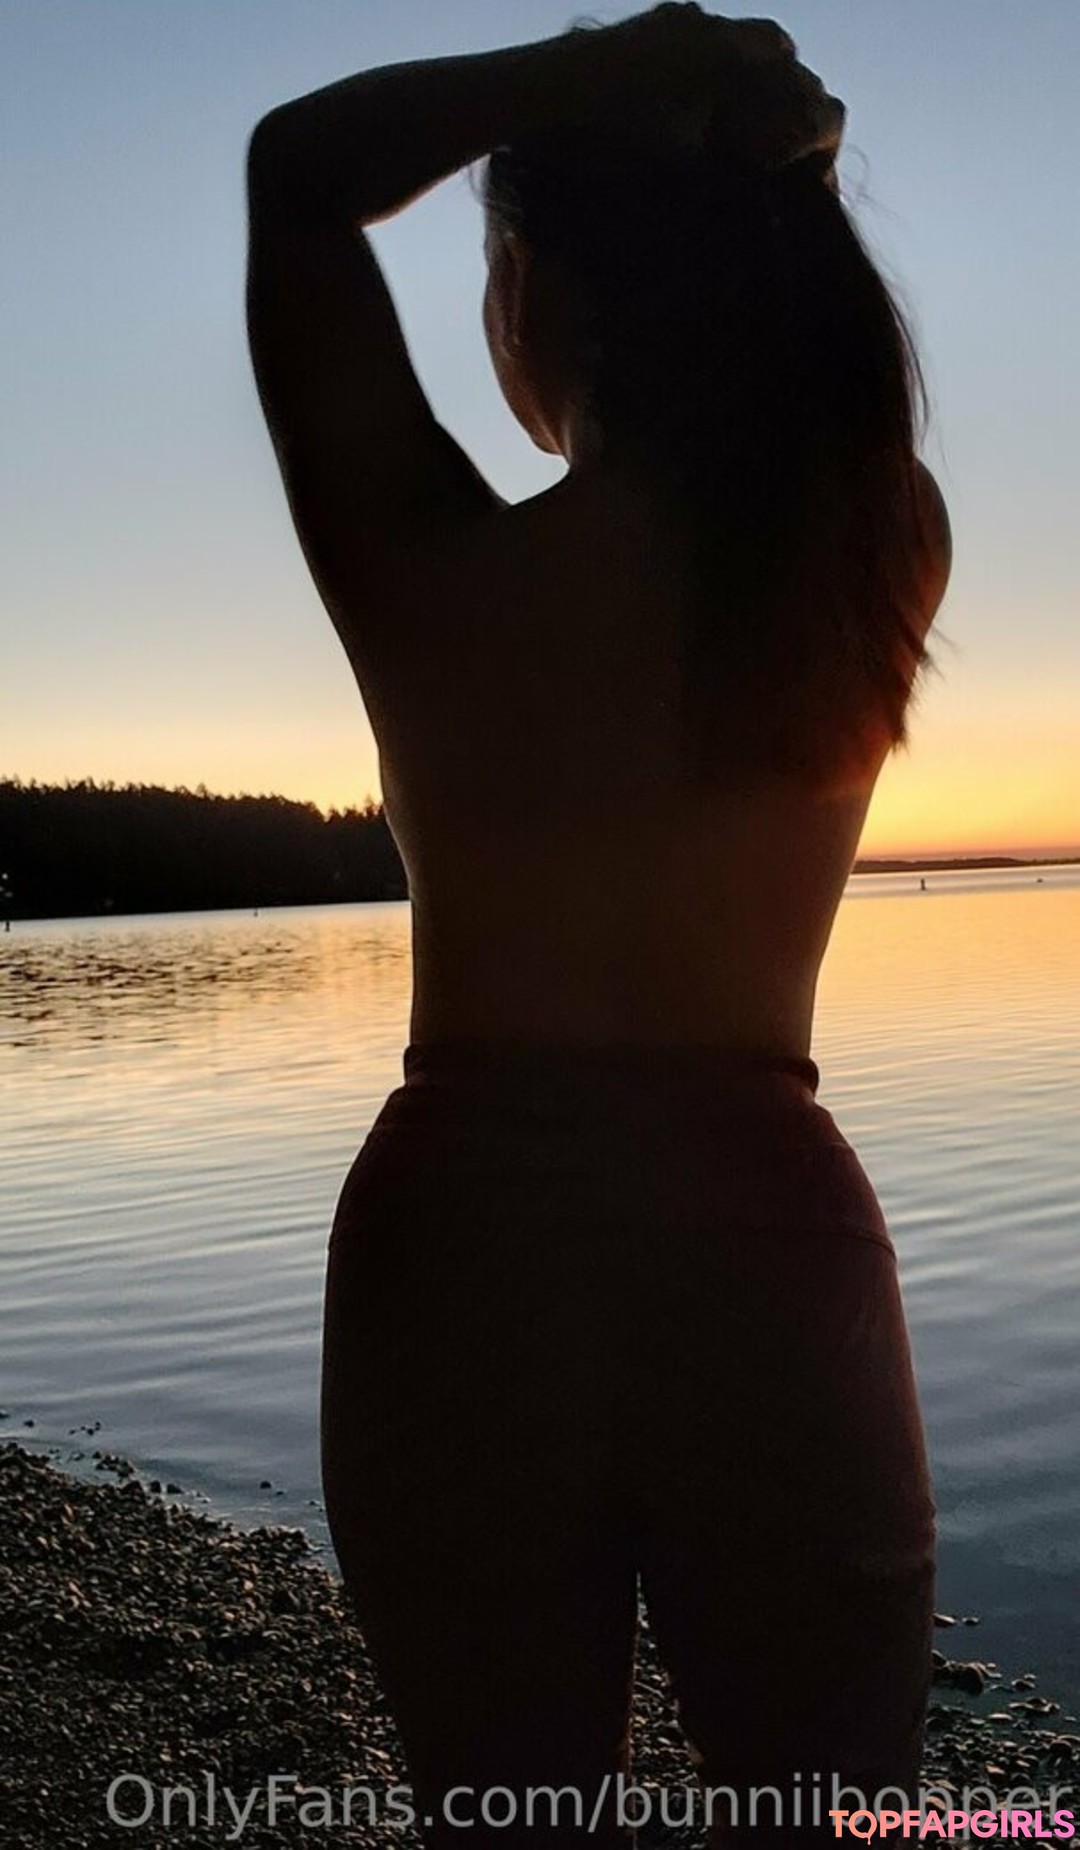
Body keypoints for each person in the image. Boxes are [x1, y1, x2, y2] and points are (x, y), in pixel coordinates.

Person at [245, 8, 951, 1844]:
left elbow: (298, 174)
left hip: (463, 1253)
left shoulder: (427, 564)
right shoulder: (877, 542)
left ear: (537, 291)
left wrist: (590, 65)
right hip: (766, 1248)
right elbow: (806, 388)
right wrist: (729, 160)